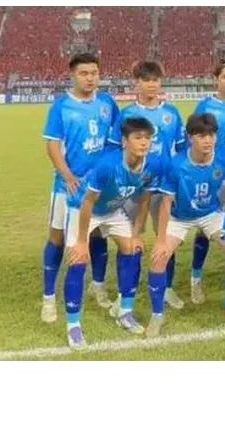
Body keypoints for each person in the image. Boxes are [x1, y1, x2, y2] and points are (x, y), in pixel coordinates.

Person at [63, 117, 163, 349]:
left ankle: (124, 312)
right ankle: (73, 325)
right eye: (137, 137)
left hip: (113, 209)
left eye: (147, 138)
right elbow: (88, 202)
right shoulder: (108, 165)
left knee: (133, 248)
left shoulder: (153, 165)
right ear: (124, 141)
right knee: (78, 259)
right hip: (83, 209)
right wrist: (81, 242)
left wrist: (136, 234)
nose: (144, 142)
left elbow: (145, 201)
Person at [146, 113, 225, 337]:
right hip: (178, 218)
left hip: (211, 214)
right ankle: (157, 316)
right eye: (201, 135)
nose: (207, 140)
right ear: (190, 138)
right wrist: (161, 240)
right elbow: (166, 203)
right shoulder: (176, 164)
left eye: (211, 135)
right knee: (158, 258)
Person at [41, 52, 119, 324]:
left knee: (98, 234)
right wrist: (67, 175)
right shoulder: (61, 106)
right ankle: (49, 298)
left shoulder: (107, 103)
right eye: (84, 73)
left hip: (99, 186)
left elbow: (116, 139)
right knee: (57, 238)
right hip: (68, 187)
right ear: (72, 75)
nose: (90, 78)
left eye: (94, 73)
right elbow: (52, 144)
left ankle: (98, 286)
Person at [108, 60, 187, 311]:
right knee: (129, 238)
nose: (151, 84)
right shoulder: (127, 115)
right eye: (146, 80)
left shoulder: (172, 113)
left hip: (164, 188)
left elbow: (182, 149)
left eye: (155, 80)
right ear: (137, 83)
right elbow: (113, 149)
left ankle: (167, 288)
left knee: (166, 238)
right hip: (133, 188)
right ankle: (123, 293)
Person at [183, 59, 225, 306]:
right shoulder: (206, 106)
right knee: (205, 228)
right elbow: (191, 138)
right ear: (216, 80)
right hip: (213, 178)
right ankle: (195, 278)